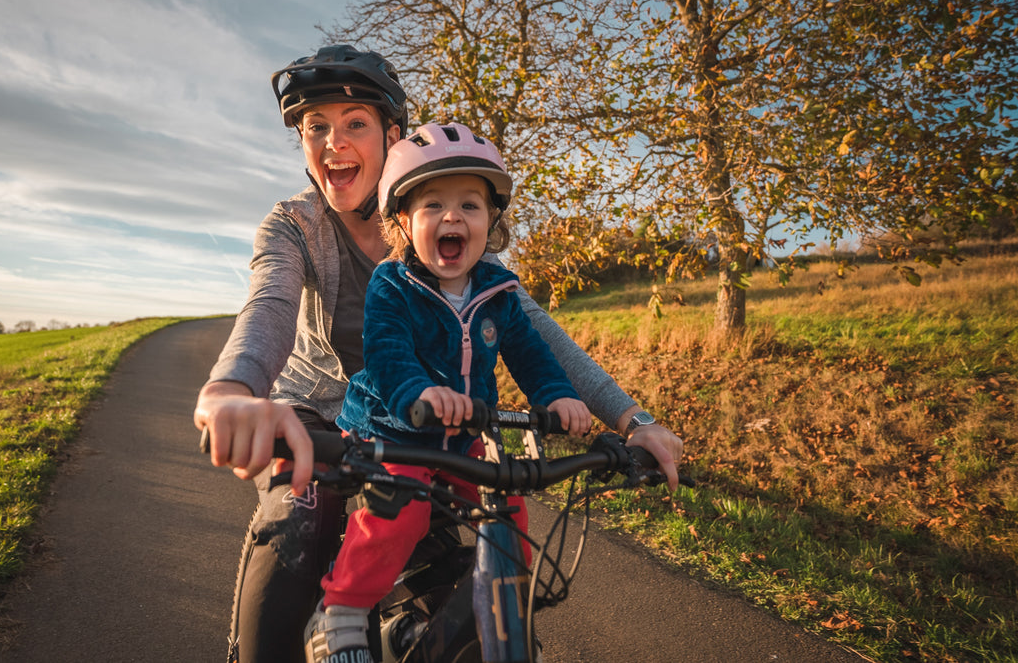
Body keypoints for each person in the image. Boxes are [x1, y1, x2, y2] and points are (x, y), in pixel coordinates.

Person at [193, 44, 684, 663]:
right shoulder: (296, 225)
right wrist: (232, 391)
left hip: (433, 431)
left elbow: (540, 337)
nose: (332, 143)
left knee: (486, 572)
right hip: (320, 422)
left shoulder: (454, 239)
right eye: (315, 127)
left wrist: (633, 420)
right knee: (296, 524)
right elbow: (268, 306)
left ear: (392, 135)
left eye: (354, 124)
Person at [303, 122, 593, 662]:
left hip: (464, 435)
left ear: (492, 221)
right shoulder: (392, 284)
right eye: (432, 205)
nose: (452, 217)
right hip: (393, 428)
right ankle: (338, 614)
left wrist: (556, 396)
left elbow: (530, 354)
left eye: (470, 205)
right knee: (402, 510)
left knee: (507, 507)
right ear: (403, 223)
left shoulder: (497, 290)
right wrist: (422, 393)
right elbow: (387, 356)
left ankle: (495, 608)